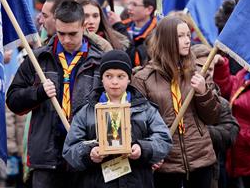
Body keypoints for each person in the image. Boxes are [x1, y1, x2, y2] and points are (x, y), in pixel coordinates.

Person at [6, 0, 104, 188]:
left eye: (72, 34)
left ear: (84, 26)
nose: (66, 40)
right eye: (61, 33)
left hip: (86, 155)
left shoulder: (100, 61)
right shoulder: (38, 58)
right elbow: (12, 100)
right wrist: (38, 93)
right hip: (46, 156)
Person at [132, 15, 221, 188]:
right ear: (166, 39)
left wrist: (203, 92)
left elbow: (213, 117)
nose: (187, 41)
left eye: (188, 35)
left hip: (199, 159)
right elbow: (138, 125)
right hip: (165, 163)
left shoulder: (198, 73)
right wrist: (150, 153)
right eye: (180, 36)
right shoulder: (143, 78)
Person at [63, 50, 172, 188]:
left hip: (137, 181)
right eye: (109, 76)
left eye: (121, 76)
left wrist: (142, 149)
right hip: (98, 182)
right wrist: (89, 153)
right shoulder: (86, 111)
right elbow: (69, 149)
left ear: (129, 79)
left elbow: (164, 140)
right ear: (101, 78)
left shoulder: (145, 109)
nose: (114, 82)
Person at [213, 55, 250, 188]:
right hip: (245, 158)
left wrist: (241, 139)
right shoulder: (245, 73)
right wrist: (221, 66)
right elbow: (226, 90)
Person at [191, 44, 240, 188]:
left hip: (209, 172)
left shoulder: (220, 101)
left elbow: (231, 132)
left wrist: (201, 132)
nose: (205, 72)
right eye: (199, 66)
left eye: (210, 68)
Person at [108, 0, 157, 67]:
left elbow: (136, 59)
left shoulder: (157, 32)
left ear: (149, 9)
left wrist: (119, 27)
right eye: (129, 4)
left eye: (134, 4)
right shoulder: (124, 25)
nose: (129, 8)